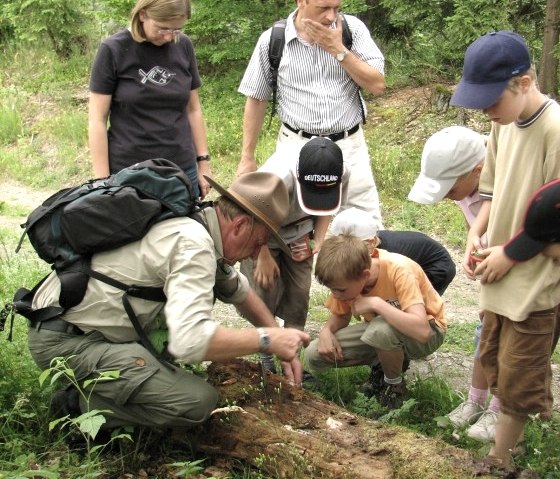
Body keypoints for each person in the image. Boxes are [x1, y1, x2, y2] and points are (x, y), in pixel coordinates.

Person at [27, 172, 310, 431]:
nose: (253, 255)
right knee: (196, 402)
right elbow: (191, 341)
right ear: (239, 226)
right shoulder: (193, 245)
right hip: (67, 341)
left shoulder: (198, 221)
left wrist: (280, 336)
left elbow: (239, 291)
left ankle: (115, 384)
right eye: (259, 243)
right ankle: (76, 407)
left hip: (77, 326)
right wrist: (265, 340)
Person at [450, 30, 560, 468]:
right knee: (494, 356)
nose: (486, 111)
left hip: (537, 281)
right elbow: (492, 194)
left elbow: (554, 220)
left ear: (524, 82)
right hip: (503, 274)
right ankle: (498, 443)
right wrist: (476, 233)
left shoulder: (554, 129)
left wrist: (508, 254)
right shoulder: (503, 126)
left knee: (518, 379)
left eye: (491, 100)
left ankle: (501, 461)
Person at [236, 0, 385, 225]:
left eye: (337, 8)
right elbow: (257, 98)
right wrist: (247, 157)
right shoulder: (274, 40)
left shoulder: (352, 30)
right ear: (301, 2)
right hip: (295, 147)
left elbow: (377, 84)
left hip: (348, 148)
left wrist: (339, 50)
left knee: (366, 230)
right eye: (323, 8)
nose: (331, 16)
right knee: (269, 218)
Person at [408, 126, 500, 442]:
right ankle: (475, 401)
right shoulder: (467, 188)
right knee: (483, 334)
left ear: (477, 169)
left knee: (510, 342)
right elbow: (474, 226)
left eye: (449, 187)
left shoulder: (504, 185)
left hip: (521, 274)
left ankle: (500, 410)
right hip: (493, 273)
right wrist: (474, 251)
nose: (446, 195)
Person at [240, 138, 349, 374]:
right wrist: (262, 256)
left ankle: (292, 361)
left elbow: (328, 209)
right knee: (263, 294)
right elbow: (249, 212)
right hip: (262, 232)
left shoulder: (340, 171)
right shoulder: (275, 177)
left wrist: (316, 242)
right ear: (299, 177)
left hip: (301, 232)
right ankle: (266, 361)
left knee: (299, 296)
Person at [303, 233, 447, 409]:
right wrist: (326, 331)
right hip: (382, 333)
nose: (335, 295)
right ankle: (384, 364)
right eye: (332, 290)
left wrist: (376, 304)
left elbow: (423, 332)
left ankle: (393, 387)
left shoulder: (399, 269)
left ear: (365, 274)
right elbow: (341, 315)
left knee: (380, 330)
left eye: (340, 290)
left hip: (429, 332)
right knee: (313, 353)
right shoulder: (345, 278)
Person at [88, 0, 212, 199]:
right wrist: (102, 182)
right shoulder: (113, 49)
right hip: (129, 172)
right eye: (162, 28)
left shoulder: (183, 45)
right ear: (143, 14)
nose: (170, 37)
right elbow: (97, 120)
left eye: (176, 30)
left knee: (186, 228)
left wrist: (203, 163)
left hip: (181, 169)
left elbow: (193, 110)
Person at [330, 207, 455, 296]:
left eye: (351, 246)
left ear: (371, 242)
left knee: (407, 301)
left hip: (437, 266)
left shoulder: (390, 256)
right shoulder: (371, 244)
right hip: (418, 255)